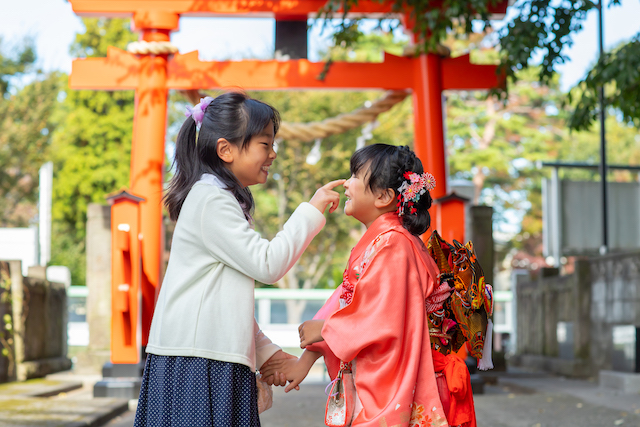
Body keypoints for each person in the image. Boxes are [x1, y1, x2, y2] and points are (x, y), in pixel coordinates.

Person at [134, 92, 344, 427]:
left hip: (203, 356)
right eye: (265, 144)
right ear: (226, 149)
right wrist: (311, 210)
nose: (272, 154)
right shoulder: (211, 200)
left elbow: (225, 299)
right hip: (198, 359)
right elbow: (268, 264)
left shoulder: (217, 198)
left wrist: (266, 353)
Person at [262, 144, 449, 427]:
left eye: (355, 176)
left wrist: (324, 329)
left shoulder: (394, 244)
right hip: (380, 370)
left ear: (384, 196)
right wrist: (305, 359)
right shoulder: (384, 241)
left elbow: (382, 317)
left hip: (395, 374)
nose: (346, 184)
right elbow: (346, 301)